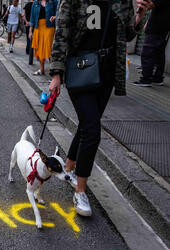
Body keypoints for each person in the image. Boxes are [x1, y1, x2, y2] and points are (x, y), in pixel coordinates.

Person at [48, 0, 154, 216]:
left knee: (89, 124)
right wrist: (56, 73)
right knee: (93, 130)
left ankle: (69, 167)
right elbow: (62, 33)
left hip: (106, 74)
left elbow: (128, 35)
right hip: (80, 69)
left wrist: (139, 15)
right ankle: (80, 190)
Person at [133, 0, 170, 87]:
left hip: (156, 26)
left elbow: (149, 5)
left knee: (147, 52)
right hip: (164, 25)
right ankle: (157, 78)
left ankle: (145, 79)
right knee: (159, 53)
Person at [29, 0, 58, 75]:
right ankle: (42, 70)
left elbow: (58, 13)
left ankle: (54, 72)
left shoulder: (54, 1)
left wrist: (55, 17)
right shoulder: (35, 3)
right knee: (39, 49)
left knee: (49, 49)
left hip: (49, 27)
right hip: (38, 28)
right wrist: (30, 31)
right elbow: (32, 17)